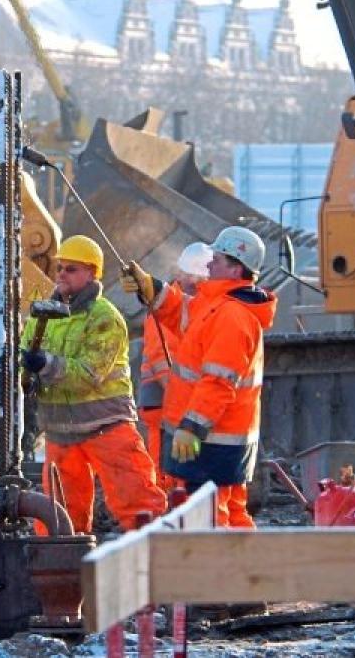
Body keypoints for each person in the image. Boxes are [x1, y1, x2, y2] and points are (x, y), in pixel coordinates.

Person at [123, 226, 276, 529]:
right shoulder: (218, 305)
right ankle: (246, 571)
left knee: (208, 518)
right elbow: (183, 312)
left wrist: (192, 427)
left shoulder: (233, 317)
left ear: (235, 268)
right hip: (218, 436)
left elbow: (218, 382)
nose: (208, 265)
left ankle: (216, 573)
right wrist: (152, 288)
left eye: (216, 259)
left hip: (211, 438)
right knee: (230, 514)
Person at [22, 235, 167, 534]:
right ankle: (60, 576)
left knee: (140, 506)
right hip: (61, 433)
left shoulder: (105, 318)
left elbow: (89, 374)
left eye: (71, 269)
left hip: (107, 429)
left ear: (91, 273)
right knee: (58, 523)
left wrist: (45, 364)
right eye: (60, 267)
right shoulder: (43, 317)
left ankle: (158, 565)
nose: (62, 274)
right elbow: (25, 362)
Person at [137, 242, 213, 493]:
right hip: (163, 401)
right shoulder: (165, 309)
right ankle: (163, 507)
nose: (195, 282)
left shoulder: (193, 306)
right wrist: (183, 395)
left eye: (199, 277)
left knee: (180, 462)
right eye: (192, 276)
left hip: (179, 400)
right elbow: (160, 356)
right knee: (164, 465)